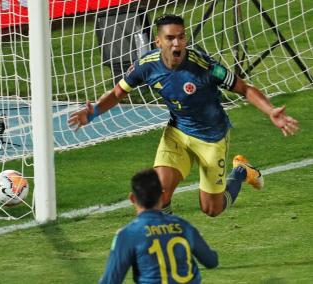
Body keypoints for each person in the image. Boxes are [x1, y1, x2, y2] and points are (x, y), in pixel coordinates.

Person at [68, 14, 299, 217]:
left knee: (212, 209)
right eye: (170, 38)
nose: (177, 43)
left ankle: (241, 171)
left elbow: (244, 88)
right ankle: (169, 238)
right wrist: (95, 111)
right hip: (177, 133)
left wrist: (271, 111)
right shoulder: (146, 66)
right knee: (159, 196)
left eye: (181, 36)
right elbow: (118, 93)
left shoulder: (204, 66)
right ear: (158, 41)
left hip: (211, 138)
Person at [99, 168, 218, 284]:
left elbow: (110, 280)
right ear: (162, 195)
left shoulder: (128, 234)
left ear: (132, 198)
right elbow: (212, 261)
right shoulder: (183, 226)